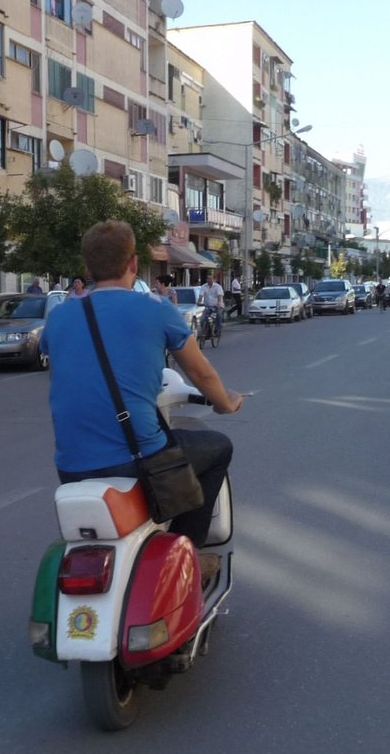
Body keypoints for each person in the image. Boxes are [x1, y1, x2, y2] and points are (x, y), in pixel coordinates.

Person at [40, 220, 243, 547]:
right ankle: (186, 553)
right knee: (219, 447)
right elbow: (201, 373)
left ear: (88, 268)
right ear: (134, 263)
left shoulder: (61, 315)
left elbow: (61, 377)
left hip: (71, 467)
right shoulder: (157, 307)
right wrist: (224, 402)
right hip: (136, 461)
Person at [198, 271, 225, 336]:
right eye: (208, 279)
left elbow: (219, 295)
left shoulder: (217, 287)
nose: (209, 280)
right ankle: (206, 332)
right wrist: (199, 301)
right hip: (208, 306)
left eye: (211, 278)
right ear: (206, 279)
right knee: (202, 319)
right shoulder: (204, 286)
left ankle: (217, 329)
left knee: (218, 315)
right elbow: (201, 295)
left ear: (213, 279)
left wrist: (218, 303)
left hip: (217, 306)